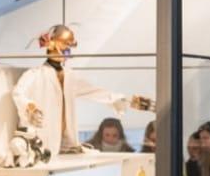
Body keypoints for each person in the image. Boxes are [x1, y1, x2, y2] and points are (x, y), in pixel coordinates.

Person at [13, 25, 150, 158]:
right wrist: (29, 107)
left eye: (70, 47)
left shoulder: (70, 76)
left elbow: (92, 91)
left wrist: (115, 98)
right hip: (44, 142)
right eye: (65, 46)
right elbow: (18, 93)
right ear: (52, 44)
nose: (67, 51)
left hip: (66, 146)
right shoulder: (35, 75)